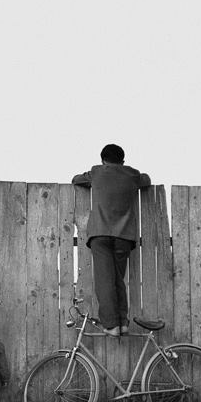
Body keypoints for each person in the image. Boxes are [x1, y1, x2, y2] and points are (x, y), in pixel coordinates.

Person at [72, 143, 151, 336]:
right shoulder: (132, 174)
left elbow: (76, 179)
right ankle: (122, 322)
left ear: (102, 159)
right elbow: (146, 180)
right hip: (123, 236)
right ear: (123, 161)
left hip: (100, 234)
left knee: (104, 280)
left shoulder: (96, 172)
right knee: (117, 280)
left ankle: (111, 325)